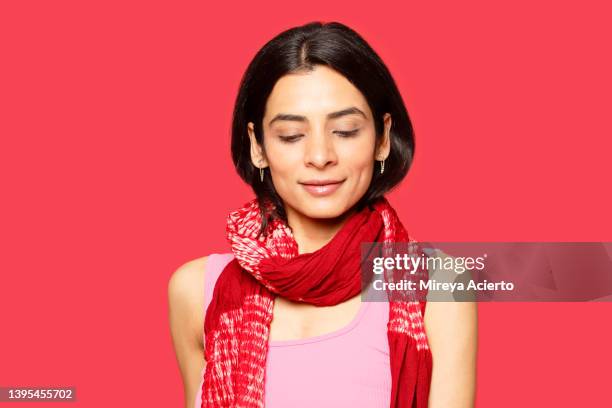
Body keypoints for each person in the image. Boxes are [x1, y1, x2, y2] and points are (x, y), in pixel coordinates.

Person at [168, 21, 477, 408]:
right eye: (291, 136)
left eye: (346, 131)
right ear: (257, 147)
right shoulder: (196, 291)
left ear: (382, 139)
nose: (320, 156)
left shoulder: (438, 286)